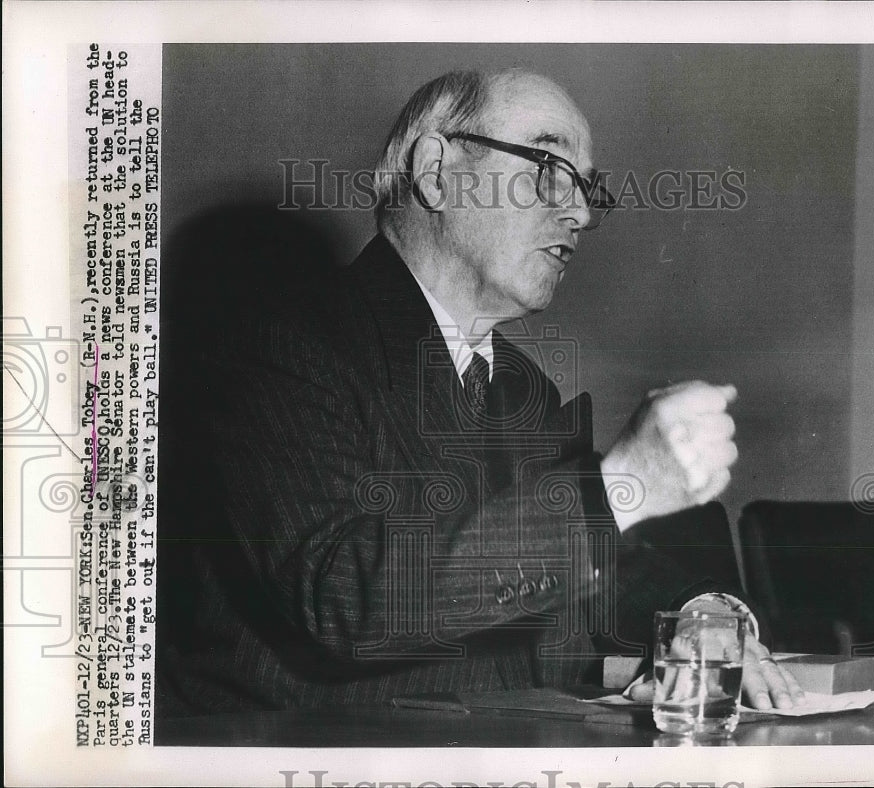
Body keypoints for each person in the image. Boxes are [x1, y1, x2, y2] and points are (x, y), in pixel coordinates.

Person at [155, 68, 803, 716]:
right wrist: (619, 482)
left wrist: (701, 613)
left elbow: (601, 559)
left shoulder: (523, 389)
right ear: (436, 172)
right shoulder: (275, 346)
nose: (578, 211)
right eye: (549, 164)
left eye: (585, 187)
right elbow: (345, 598)